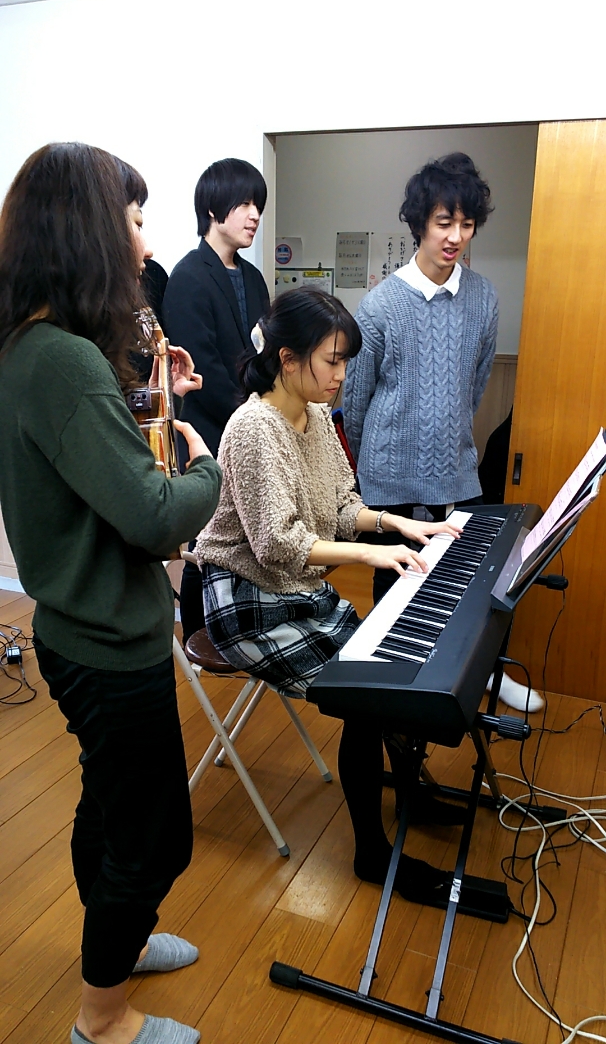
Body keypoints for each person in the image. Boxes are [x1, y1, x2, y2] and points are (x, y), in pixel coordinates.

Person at [0, 142, 223, 1044]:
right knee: (155, 835)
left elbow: (90, 457)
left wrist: (154, 396)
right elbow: (154, 514)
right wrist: (207, 465)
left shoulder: (33, 347)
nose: (145, 241)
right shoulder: (62, 361)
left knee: (110, 803)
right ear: (89, 231)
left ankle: (115, 948)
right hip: (106, 642)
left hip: (76, 630)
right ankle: (103, 1017)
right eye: (133, 220)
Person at [195, 287, 464, 904]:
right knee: (365, 697)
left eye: (345, 362)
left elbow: (342, 506)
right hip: (245, 600)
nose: (342, 375)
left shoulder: (316, 416)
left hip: (298, 590)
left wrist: (397, 525)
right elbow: (276, 544)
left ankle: (412, 793)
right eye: (332, 361)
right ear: (288, 359)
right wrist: (369, 555)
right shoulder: (253, 428)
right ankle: (372, 851)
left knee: (388, 671)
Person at [342, 152, 542, 713]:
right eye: (443, 222)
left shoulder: (483, 297)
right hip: (390, 483)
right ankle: (398, 698)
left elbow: (474, 385)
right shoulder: (379, 306)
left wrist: (446, 436)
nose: (455, 237)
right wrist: (384, 460)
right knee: (395, 600)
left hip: (455, 472)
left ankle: (483, 676)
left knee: (475, 587)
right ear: (419, 223)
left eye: (467, 224)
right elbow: (354, 406)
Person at [163, 157, 271, 643]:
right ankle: (197, 638)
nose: (254, 215)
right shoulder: (188, 276)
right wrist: (253, 418)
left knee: (242, 541)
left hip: (249, 427)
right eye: (244, 203)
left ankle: (237, 629)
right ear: (212, 208)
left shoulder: (253, 278)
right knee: (204, 545)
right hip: (207, 434)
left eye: (257, 205)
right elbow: (200, 369)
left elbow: (264, 353)